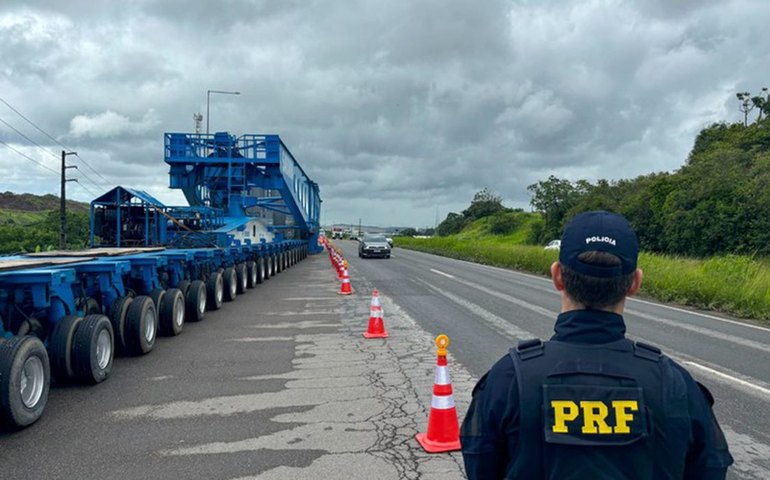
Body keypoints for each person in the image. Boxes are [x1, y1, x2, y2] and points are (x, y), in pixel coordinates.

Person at [460, 210, 733, 479]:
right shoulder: (675, 384)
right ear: (635, 283)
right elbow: (710, 467)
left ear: (557, 276)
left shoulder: (508, 379)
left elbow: (480, 464)